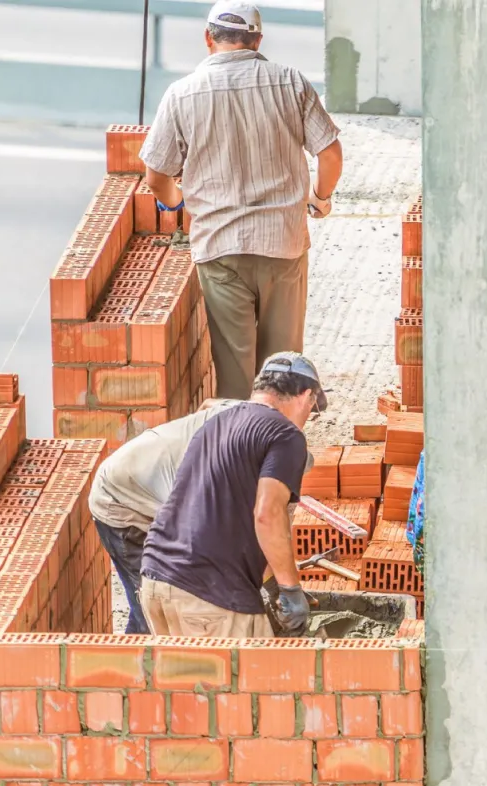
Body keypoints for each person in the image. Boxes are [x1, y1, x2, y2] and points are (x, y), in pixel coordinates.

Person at [139, 1, 344, 400]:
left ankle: (239, 453)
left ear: (207, 38)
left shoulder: (181, 94)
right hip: (282, 245)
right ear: (257, 40)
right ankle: (280, 451)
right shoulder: (290, 82)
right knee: (282, 371)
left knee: (235, 377)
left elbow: (156, 176)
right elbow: (331, 154)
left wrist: (177, 201)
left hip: (220, 249)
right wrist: (320, 198)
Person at [140, 352, 327, 636]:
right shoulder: (286, 435)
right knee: (252, 678)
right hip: (209, 596)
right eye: (311, 408)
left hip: (157, 581)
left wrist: (273, 584)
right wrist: (291, 589)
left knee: (180, 681)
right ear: (306, 396)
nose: (305, 420)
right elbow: (268, 515)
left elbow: (224, 518)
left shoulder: (216, 423)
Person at [89, 398, 241, 633]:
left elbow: (208, 403)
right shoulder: (216, 475)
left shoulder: (245, 411)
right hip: (120, 503)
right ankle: (133, 665)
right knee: (152, 605)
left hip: (145, 482)